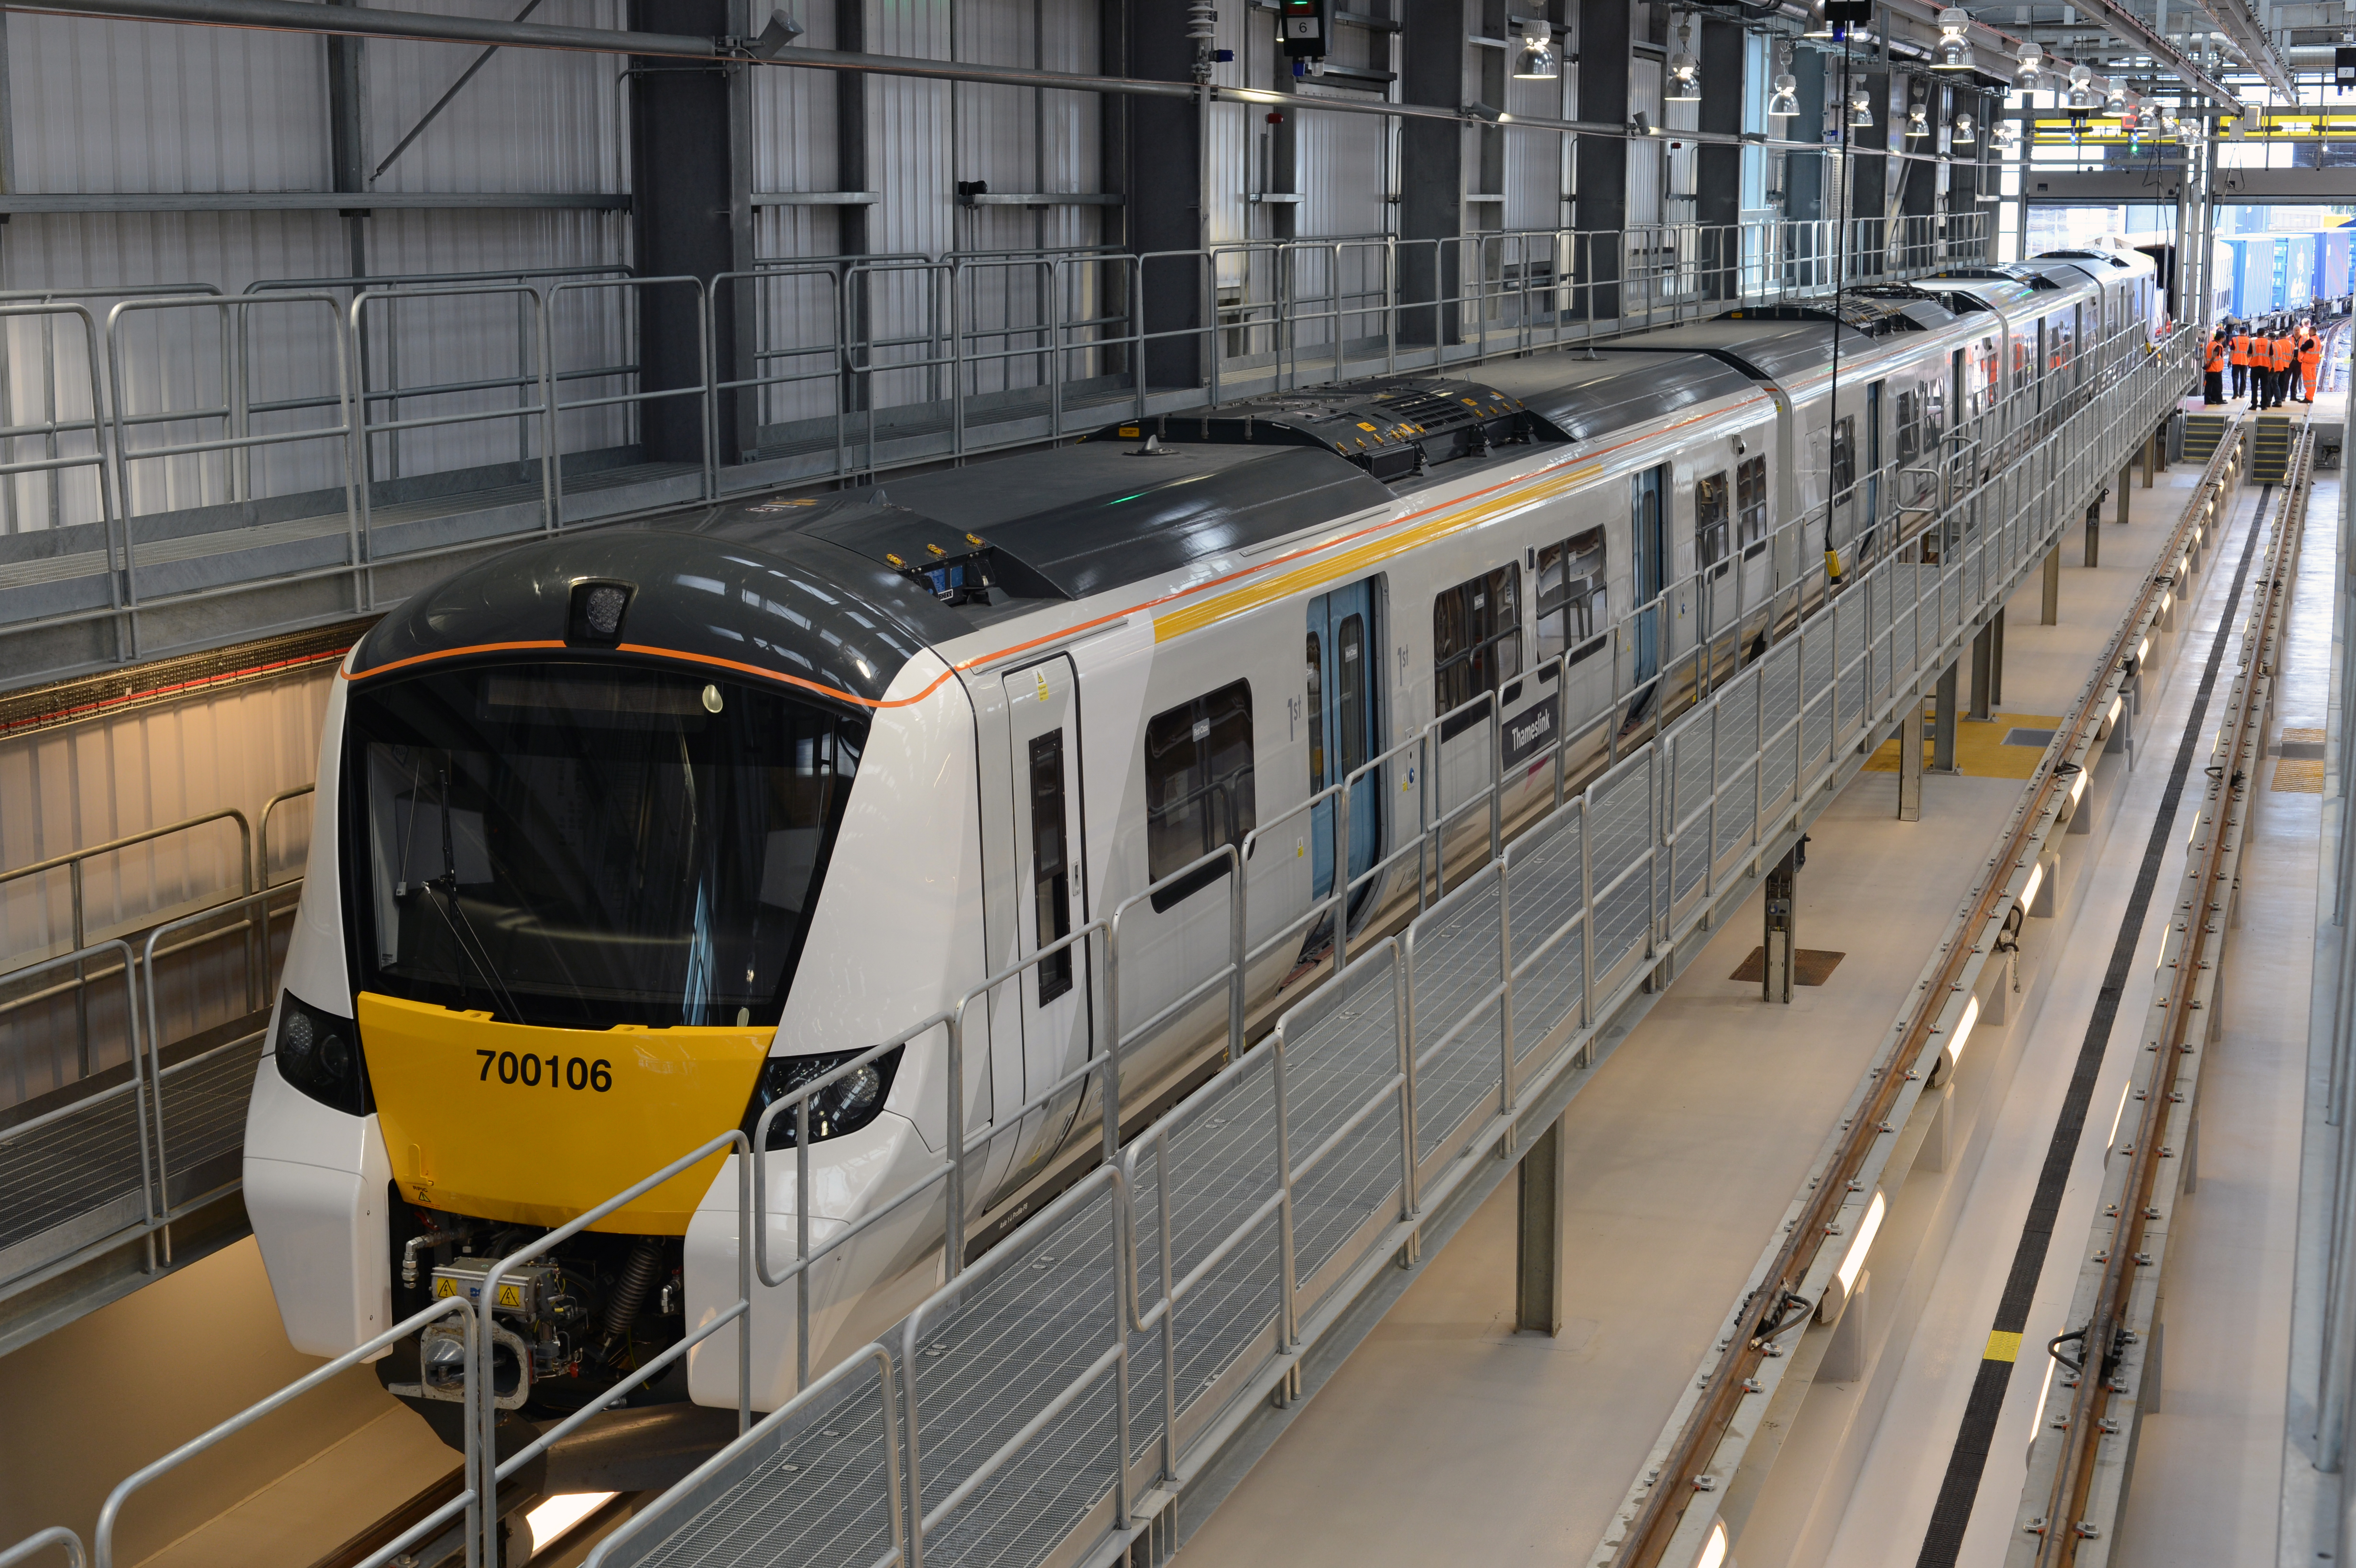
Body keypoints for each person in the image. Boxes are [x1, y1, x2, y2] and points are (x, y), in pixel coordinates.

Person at [2204, 330, 2229, 404]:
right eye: (2224, 338)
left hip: (2209, 369)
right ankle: (2219, 400)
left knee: (2209, 385)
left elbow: (2205, 356)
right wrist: (2224, 354)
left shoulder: (2210, 344)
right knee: (2218, 385)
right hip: (2216, 368)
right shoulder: (2218, 346)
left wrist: (2207, 364)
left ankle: (2208, 400)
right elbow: (2214, 356)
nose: (2224, 339)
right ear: (2221, 338)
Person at [2301, 327, 2324, 402]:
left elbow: (2303, 348)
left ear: (2312, 331)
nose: (2308, 333)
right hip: (2314, 363)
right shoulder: (2318, 340)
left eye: (2309, 331)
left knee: (2308, 381)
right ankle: (2311, 396)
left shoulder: (2311, 341)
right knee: (2313, 381)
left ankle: (2308, 398)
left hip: (2307, 363)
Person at [2231, 323, 2253, 399]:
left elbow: (2232, 351)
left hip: (2236, 361)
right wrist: (2251, 362)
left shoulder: (2235, 340)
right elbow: (2251, 353)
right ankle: (2242, 394)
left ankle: (2235, 393)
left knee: (2235, 377)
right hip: (2245, 361)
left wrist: (2230, 360)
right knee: (2243, 378)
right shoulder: (2250, 341)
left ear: (2239, 332)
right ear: (2246, 332)